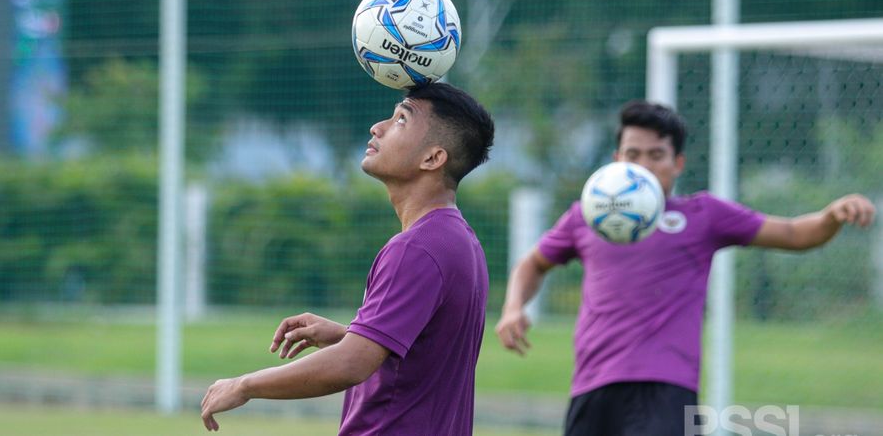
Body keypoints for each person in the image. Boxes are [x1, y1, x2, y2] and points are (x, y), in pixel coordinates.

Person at [494, 100, 877, 436]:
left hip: (667, 388)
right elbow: (533, 263)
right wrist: (514, 308)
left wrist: (831, 216)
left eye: (656, 155)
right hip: (593, 387)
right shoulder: (585, 217)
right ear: (616, 161)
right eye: (633, 154)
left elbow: (794, 233)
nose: (643, 165)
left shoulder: (703, 215)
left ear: (677, 164)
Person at [201, 82, 495, 435]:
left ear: (432, 158)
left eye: (401, 119)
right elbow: (423, 357)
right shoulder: (460, 240)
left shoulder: (415, 249)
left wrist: (244, 385)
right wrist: (351, 335)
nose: (378, 127)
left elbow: (352, 365)